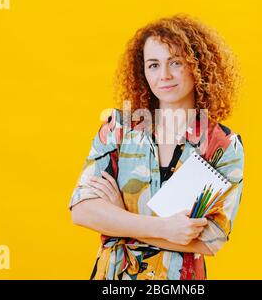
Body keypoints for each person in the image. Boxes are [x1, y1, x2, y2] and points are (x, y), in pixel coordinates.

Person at [69, 14, 244, 280]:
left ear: (197, 66)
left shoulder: (222, 145)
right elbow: (82, 210)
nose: (164, 75)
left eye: (175, 62)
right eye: (153, 65)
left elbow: (210, 240)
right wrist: (165, 228)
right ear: (143, 72)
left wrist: (118, 219)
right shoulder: (119, 128)